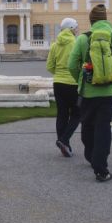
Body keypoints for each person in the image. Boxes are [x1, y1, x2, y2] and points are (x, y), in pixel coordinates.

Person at [68, 5, 112, 182]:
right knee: (103, 127)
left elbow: (72, 65)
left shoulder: (82, 40)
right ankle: (101, 169)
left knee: (87, 124)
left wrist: (82, 81)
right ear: (106, 20)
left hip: (88, 92)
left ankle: (90, 155)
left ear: (91, 20)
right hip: (108, 93)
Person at [46, 17, 80, 157]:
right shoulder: (76, 43)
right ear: (71, 29)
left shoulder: (55, 44)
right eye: (76, 27)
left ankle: (63, 144)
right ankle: (64, 140)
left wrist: (59, 74)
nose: (77, 30)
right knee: (77, 114)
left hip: (58, 83)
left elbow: (49, 66)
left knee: (62, 113)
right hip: (73, 83)